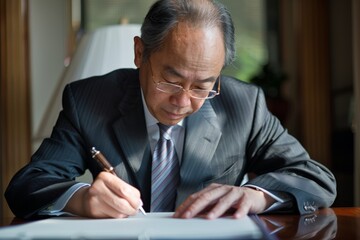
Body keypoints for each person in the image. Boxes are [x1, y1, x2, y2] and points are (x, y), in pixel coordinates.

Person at [5, 0, 336, 220]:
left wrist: (256, 195)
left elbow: (316, 179)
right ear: (139, 53)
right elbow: (26, 186)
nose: (183, 101)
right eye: (170, 79)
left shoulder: (243, 105)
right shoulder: (90, 99)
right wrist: (81, 198)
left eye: (203, 86)